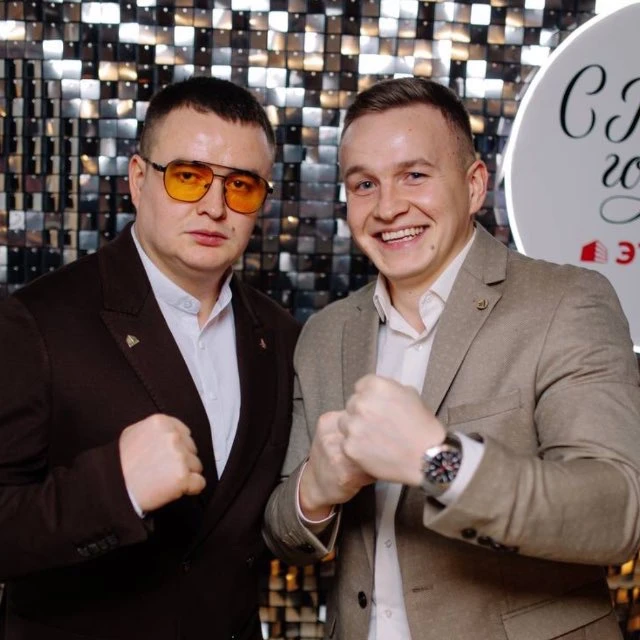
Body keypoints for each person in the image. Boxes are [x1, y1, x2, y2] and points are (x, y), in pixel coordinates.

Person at [263, 77, 640, 640]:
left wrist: (439, 462)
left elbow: (617, 514)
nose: (388, 207)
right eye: (365, 184)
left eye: (414, 175)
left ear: (474, 185)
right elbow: (283, 536)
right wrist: (315, 489)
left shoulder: (567, 302)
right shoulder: (324, 334)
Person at [0, 76, 299, 640]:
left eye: (241, 186)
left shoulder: (281, 334)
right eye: (188, 177)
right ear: (139, 180)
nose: (215, 207)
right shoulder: (36, 321)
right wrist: (116, 489)